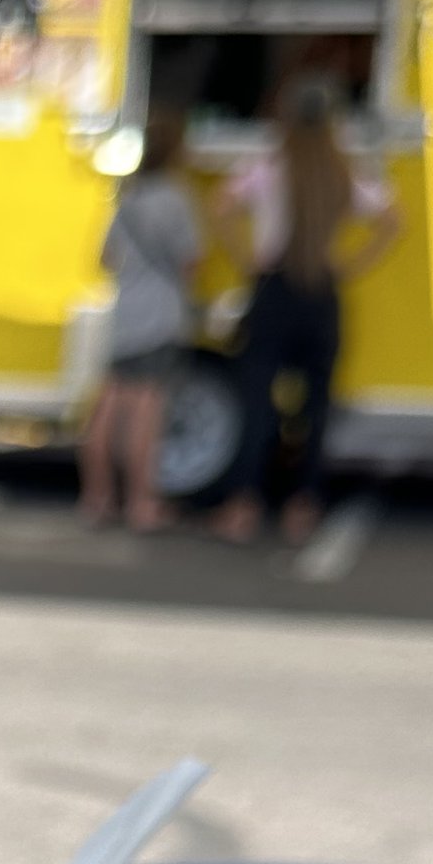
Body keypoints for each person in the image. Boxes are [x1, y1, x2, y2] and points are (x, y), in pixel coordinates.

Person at [210, 75, 402, 547]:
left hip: (274, 288)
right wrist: (353, 264)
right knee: (316, 407)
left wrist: (246, 257)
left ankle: (244, 504)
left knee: (258, 402)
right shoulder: (343, 173)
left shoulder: (271, 165)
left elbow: (222, 206)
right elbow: (392, 221)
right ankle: (303, 503)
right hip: (322, 292)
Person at [78, 108, 201, 532]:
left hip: (124, 317)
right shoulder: (176, 199)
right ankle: (141, 503)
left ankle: (97, 497)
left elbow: (105, 258)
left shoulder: (127, 198)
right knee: (146, 411)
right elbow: (190, 263)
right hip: (160, 318)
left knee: (108, 408)